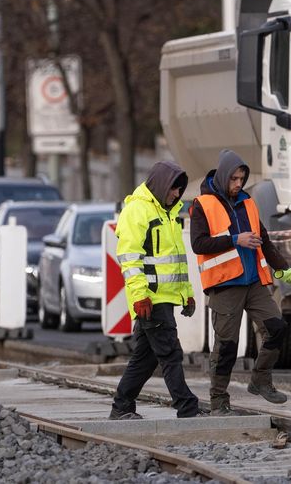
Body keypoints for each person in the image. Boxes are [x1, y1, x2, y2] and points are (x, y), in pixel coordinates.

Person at [190, 149, 291, 414]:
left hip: (253, 282)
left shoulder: (248, 202)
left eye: (242, 179)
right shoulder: (203, 205)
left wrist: (284, 270)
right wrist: (234, 240)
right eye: (234, 179)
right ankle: (219, 400)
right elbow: (198, 244)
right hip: (225, 285)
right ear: (222, 177)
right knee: (227, 346)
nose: (238, 184)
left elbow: (263, 240)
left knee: (277, 328)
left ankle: (260, 380)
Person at [109, 161, 202, 420]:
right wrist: (140, 296)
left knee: (146, 359)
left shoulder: (167, 213)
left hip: (162, 298)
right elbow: (130, 258)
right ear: (161, 185)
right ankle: (187, 407)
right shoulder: (137, 211)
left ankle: (122, 407)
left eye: (180, 190)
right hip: (150, 298)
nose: (177, 194)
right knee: (170, 353)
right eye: (174, 188)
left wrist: (186, 293)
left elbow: (176, 261)